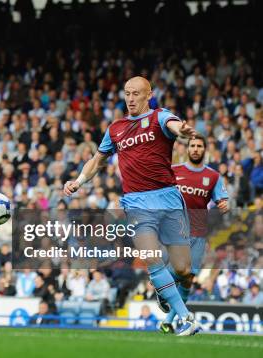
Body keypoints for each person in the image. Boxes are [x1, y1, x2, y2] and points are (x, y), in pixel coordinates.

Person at [64, 76, 200, 336]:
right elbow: (97, 161)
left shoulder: (160, 116)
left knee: (182, 269)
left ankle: (165, 288)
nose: (130, 98)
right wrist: (78, 181)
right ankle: (186, 319)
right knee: (152, 259)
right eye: (127, 93)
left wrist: (182, 132)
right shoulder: (115, 128)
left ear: (148, 95)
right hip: (137, 202)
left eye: (136, 93)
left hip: (168, 198)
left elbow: (174, 126)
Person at [159, 134, 229, 333]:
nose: (196, 149)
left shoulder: (213, 176)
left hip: (199, 233)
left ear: (204, 150)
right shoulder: (175, 171)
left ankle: (168, 321)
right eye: (193, 146)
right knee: (180, 271)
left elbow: (221, 199)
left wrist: (223, 204)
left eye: (199, 146)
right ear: (188, 149)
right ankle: (161, 289)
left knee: (188, 277)